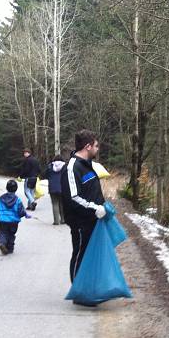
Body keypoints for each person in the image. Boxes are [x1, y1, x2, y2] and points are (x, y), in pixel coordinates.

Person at [61, 130, 106, 305]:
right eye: (95, 145)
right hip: (80, 221)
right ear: (87, 146)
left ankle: (88, 290)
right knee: (80, 254)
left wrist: (102, 206)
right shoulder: (73, 167)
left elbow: (91, 191)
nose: (97, 148)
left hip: (93, 219)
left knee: (89, 255)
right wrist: (95, 208)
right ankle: (78, 293)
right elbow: (73, 197)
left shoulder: (87, 165)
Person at [0, 179, 29, 255]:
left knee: (3, 232)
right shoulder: (17, 200)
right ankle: (10, 248)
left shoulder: (1, 198)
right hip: (14, 221)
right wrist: (25, 214)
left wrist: (1, 215)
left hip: (3, 220)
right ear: (16, 189)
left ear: (7, 188)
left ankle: (2, 243)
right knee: (11, 234)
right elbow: (20, 210)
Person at [43, 155, 66, 225]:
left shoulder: (50, 166)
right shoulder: (65, 166)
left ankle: (56, 221)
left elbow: (45, 174)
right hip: (63, 187)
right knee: (62, 204)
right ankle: (63, 219)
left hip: (52, 187)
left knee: (55, 203)